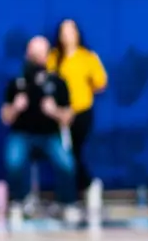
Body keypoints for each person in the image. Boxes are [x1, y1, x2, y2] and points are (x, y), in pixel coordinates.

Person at [1, 37, 80, 225]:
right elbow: (5, 116)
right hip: (22, 134)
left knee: (66, 163)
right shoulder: (17, 83)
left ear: (47, 55)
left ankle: (66, 203)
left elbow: (69, 116)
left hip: (50, 135)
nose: (36, 58)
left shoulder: (57, 82)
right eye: (32, 54)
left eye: (40, 54)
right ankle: (20, 201)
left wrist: (55, 111)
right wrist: (15, 107)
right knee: (14, 160)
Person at [46, 18, 107, 208]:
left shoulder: (87, 57)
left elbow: (100, 83)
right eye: (64, 32)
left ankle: (88, 186)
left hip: (80, 111)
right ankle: (69, 195)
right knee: (64, 156)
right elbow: (48, 84)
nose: (67, 35)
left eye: (71, 31)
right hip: (59, 115)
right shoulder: (54, 58)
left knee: (76, 152)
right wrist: (58, 110)